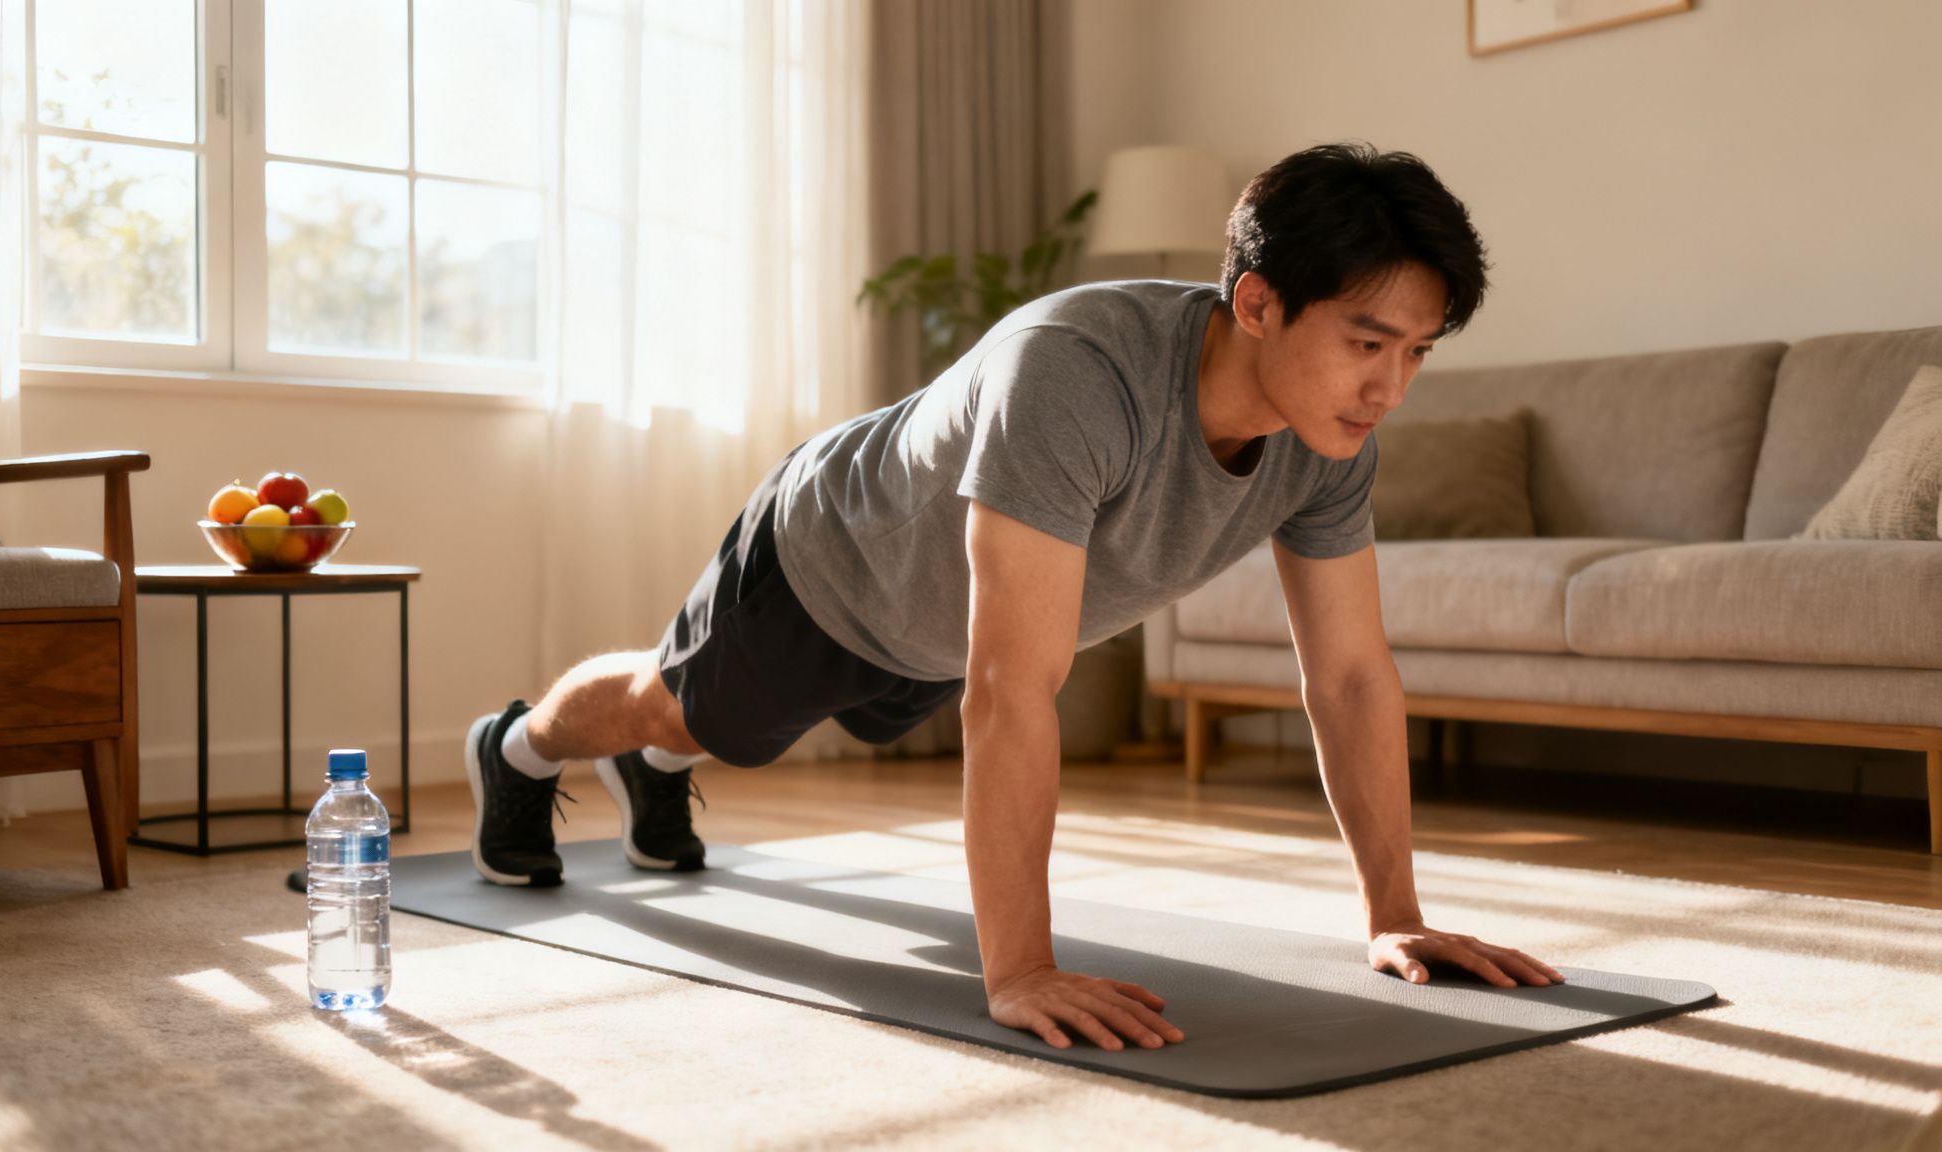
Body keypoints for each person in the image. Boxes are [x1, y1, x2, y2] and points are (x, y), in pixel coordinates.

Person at [464, 141, 1565, 1054]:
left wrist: (1395, 916)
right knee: (680, 708)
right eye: (1366, 343)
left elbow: (1350, 673)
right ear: (1258, 302)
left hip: (933, 637)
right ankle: (516, 749)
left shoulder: (1329, 445)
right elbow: (1010, 688)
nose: (1389, 386)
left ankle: (653, 773)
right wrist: (1021, 968)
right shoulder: (1076, 374)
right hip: (829, 566)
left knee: (716, 732)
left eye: (1415, 351)